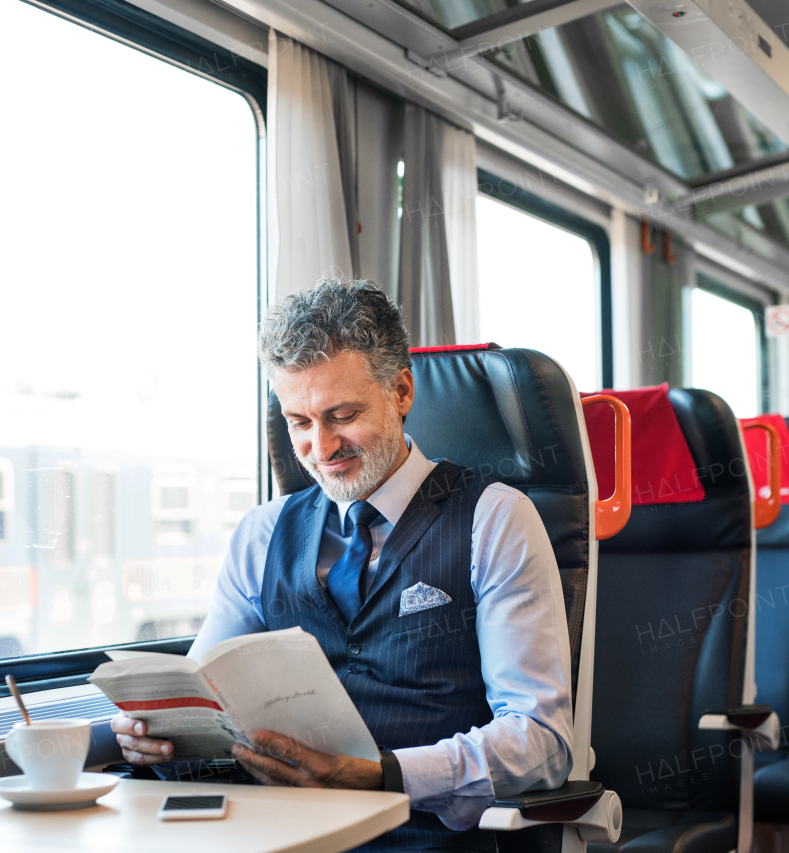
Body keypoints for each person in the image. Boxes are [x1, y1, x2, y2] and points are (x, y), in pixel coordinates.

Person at [111, 280, 573, 851]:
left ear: (401, 391)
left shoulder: (494, 518)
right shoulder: (262, 534)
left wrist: (386, 774)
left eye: (343, 414)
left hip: (424, 837)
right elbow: (204, 697)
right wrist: (156, 735)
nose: (322, 448)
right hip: (276, 834)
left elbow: (542, 742)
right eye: (299, 423)